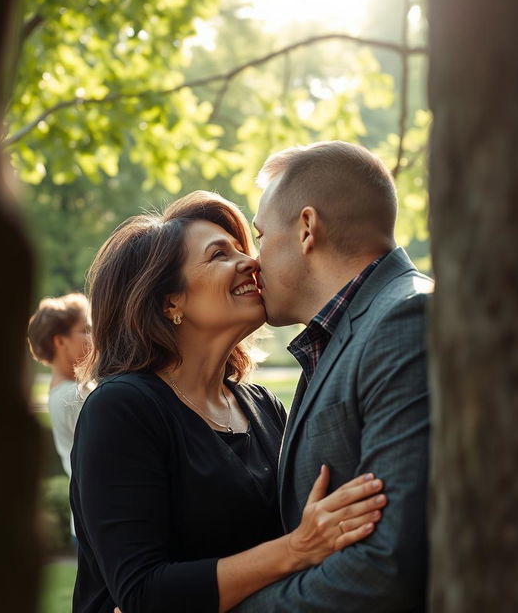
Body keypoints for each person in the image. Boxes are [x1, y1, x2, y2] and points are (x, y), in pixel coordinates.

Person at [70, 191, 387, 613]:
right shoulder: (122, 409)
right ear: (170, 301)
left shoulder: (262, 406)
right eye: (219, 255)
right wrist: (296, 548)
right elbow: (144, 594)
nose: (251, 262)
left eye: (244, 248)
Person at [235, 141, 432, 611]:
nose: (254, 262)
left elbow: (388, 566)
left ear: (307, 228)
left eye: (260, 237)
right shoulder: (339, 334)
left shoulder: (405, 319)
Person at [28, 293, 91, 544]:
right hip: (94, 523)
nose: (93, 337)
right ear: (59, 341)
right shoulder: (72, 397)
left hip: (86, 520)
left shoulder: (70, 392)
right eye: (85, 330)